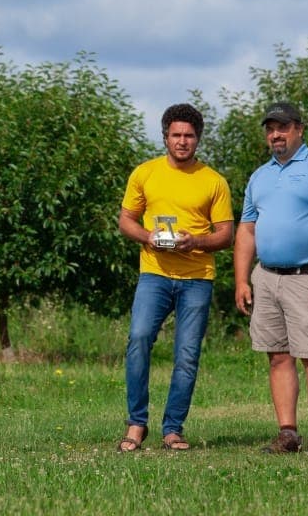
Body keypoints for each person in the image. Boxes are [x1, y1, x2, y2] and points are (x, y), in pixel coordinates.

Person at [234, 102, 308, 458]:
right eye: (270, 128)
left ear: (299, 129)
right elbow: (247, 228)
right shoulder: (260, 176)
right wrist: (242, 280)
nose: (276, 134)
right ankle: (287, 433)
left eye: (283, 127)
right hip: (267, 277)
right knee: (278, 356)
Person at [116, 103, 234, 452]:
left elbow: (226, 235)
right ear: (165, 136)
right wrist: (147, 237)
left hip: (198, 277)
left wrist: (195, 241)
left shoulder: (213, 180)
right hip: (154, 273)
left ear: (198, 139)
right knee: (138, 340)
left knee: (186, 355)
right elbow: (126, 220)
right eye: (176, 135)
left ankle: (173, 429)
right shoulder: (145, 173)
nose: (182, 142)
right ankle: (136, 423)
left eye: (189, 136)